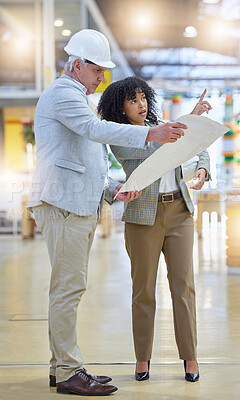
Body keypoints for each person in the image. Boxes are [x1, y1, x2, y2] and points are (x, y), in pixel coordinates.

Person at [27, 30, 189, 397]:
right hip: (64, 205)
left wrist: (114, 189)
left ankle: (61, 367)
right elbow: (94, 130)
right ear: (77, 64)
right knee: (68, 289)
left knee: (68, 288)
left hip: (76, 203)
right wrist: (152, 135)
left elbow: (82, 160)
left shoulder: (77, 98)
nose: (102, 78)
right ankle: (68, 369)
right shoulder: (63, 95)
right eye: (98, 70)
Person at [97, 76, 212, 383]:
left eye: (142, 97)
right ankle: (142, 357)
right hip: (142, 217)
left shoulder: (162, 126)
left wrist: (202, 166)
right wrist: (188, 122)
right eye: (132, 100)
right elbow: (155, 152)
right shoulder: (121, 136)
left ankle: (190, 356)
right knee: (143, 291)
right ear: (119, 109)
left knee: (183, 288)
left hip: (179, 212)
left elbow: (197, 146)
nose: (141, 103)